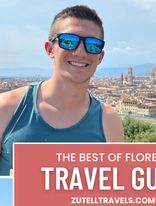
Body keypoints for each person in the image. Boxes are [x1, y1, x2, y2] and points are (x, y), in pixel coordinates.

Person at [0, 5, 124, 176]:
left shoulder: (109, 122)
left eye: (93, 45)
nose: (80, 52)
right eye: (68, 41)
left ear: (100, 57)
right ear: (50, 49)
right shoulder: (6, 108)